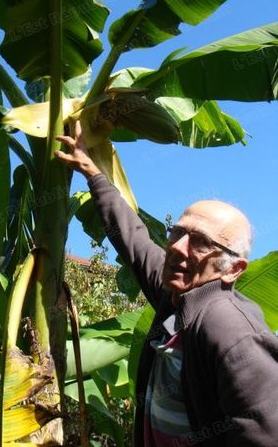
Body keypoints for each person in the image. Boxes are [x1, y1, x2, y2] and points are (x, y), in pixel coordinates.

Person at [55, 121, 278, 446]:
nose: (176, 246)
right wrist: (92, 171)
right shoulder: (176, 294)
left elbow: (265, 432)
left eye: (200, 242)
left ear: (233, 269)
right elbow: (134, 240)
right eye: (178, 231)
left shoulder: (226, 324)